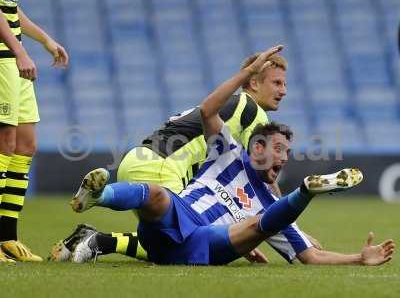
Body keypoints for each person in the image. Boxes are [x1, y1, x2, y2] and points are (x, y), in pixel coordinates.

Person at [68, 46, 394, 266]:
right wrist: (290, 220)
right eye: (277, 82)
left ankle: (99, 223)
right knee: (164, 208)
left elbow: (300, 245)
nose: (284, 90)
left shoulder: (238, 140)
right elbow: (209, 111)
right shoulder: (249, 115)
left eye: (285, 83)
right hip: (166, 165)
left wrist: (352, 255)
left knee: (178, 227)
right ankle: (101, 214)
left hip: (145, 159)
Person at [0, 0, 68, 263]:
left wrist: (45, 40)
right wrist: (19, 52)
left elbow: (10, 10)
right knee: (4, 144)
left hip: (13, 60)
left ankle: (7, 237)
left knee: (25, 145)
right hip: (4, 60)